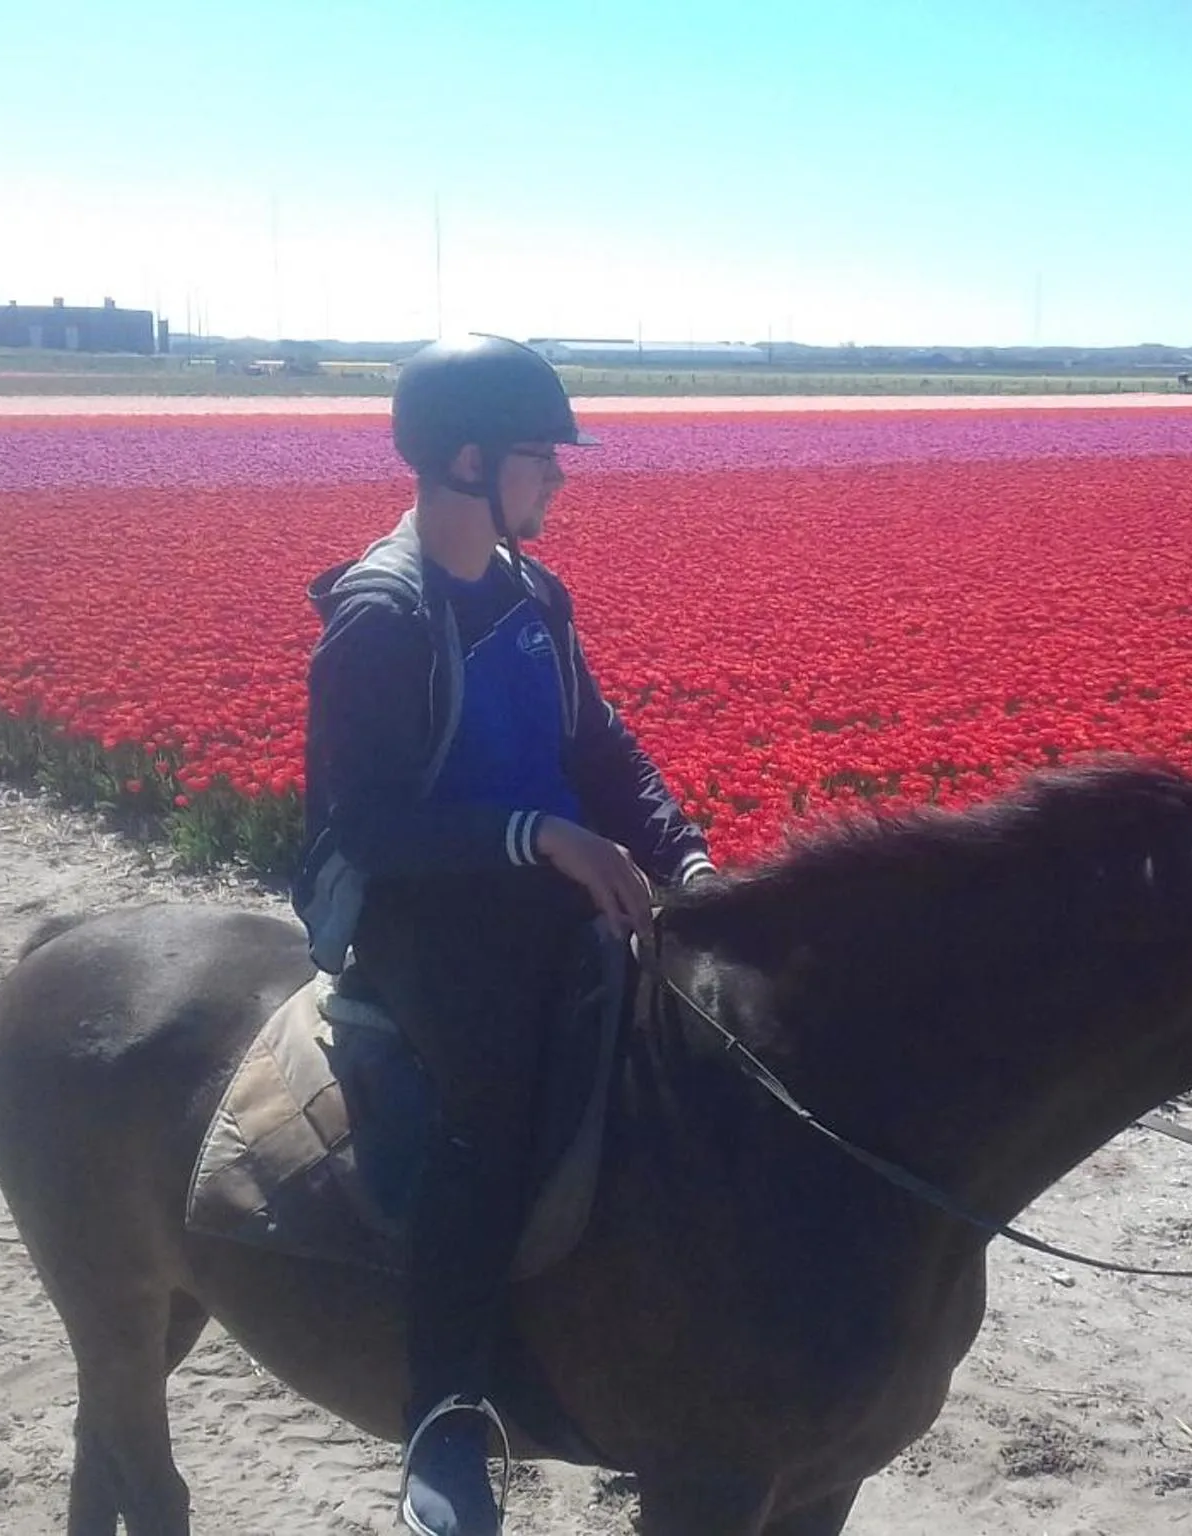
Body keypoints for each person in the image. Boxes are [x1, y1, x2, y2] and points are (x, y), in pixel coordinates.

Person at [292, 335, 715, 1535]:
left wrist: (683, 855)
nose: (561, 480)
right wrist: (540, 838)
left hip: (549, 879)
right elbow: (368, 823)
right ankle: (446, 1418)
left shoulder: (533, 593)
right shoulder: (380, 614)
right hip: (425, 915)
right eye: (543, 456)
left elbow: (601, 747)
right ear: (469, 460)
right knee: (497, 1097)